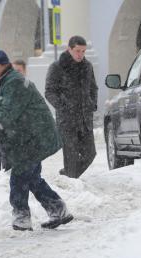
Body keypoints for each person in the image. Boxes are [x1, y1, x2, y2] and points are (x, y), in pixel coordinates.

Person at [0, 50, 73, 231]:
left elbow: (6, 114)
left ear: (4, 65)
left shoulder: (14, 83)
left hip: (35, 136)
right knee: (31, 177)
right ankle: (58, 209)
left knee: (19, 176)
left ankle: (21, 216)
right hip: (23, 138)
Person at [45, 35, 98, 178]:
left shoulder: (87, 66)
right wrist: (63, 107)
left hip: (85, 118)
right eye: (77, 51)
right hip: (67, 120)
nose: (80, 55)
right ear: (69, 49)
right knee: (71, 156)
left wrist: (92, 104)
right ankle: (71, 179)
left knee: (90, 154)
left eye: (83, 51)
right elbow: (49, 91)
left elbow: (93, 88)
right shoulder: (57, 67)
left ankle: (69, 175)